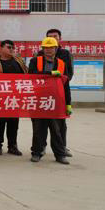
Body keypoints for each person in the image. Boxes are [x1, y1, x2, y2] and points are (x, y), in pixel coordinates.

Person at [29, 37, 71, 165]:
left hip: (56, 102)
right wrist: (50, 73)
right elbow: (31, 76)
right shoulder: (35, 61)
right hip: (39, 100)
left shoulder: (62, 64)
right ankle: (37, 153)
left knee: (57, 130)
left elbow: (65, 84)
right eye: (46, 48)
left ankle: (60, 154)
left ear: (56, 48)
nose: (48, 50)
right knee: (38, 129)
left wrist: (68, 104)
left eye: (51, 47)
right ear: (42, 49)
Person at [38, 28, 74, 157]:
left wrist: (59, 82)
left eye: (55, 36)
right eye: (50, 36)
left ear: (60, 39)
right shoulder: (39, 54)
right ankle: (41, 148)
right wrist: (50, 76)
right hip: (43, 94)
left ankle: (62, 148)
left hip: (59, 93)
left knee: (60, 124)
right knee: (40, 124)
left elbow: (69, 74)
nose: (53, 38)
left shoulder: (65, 54)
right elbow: (34, 74)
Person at [0, 40, 27, 156]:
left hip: (14, 98)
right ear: (0, 48)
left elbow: (27, 76)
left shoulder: (19, 61)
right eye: (9, 47)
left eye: (13, 48)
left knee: (14, 123)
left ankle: (12, 146)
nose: (12, 49)